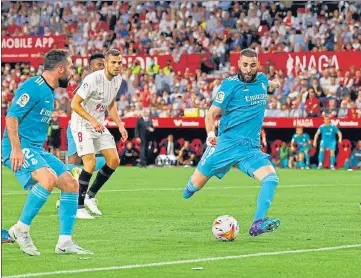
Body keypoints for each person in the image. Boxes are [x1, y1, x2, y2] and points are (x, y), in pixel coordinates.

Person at [182, 48, 281, 237]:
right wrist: (211, 133)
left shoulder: (261, 80)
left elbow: (267, 85)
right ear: (239, 64)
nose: (248, 69)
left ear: (258, 65)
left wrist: (274, 84)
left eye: (253, 65)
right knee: (190, 190)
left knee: (271, 180)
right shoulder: (229, 85)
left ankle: (257, 224)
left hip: (250, 149)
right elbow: (211, 114)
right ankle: (195, 180)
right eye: (245, 64)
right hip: (226, 146)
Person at [2, 49, 92, 255]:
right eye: (69, 68)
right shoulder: (33, 86)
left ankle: (65, 242)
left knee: (71, 184)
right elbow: (11, 117)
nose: (71, 73)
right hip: (18, 147)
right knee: (48, 179)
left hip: (35, 148)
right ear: (60, 69)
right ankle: (21, 229)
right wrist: (16, 149)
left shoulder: (49, 92)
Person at [70, 49, 128, 218]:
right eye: (113, 63)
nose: (117, 66)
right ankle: (78, 207)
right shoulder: (92, 79)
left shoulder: (118, 80)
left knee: (114, 160)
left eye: (119, 63)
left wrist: (120, 125)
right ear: (106, 63)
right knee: (90, 162)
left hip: (98, 124)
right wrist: (93, 120)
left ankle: (90, 196)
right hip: (82, 123)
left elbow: (111, 104)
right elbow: (74, 104)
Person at [64, 53, 107, 219]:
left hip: (90, 127)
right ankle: (71, 200)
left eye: (103, 65)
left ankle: (81, 193)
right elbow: (73, 103)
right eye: (98, 65)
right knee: (74, 162)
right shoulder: (88, 82)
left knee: (105, 160)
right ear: (91, 67)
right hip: (78, 126)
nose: (102, 68)